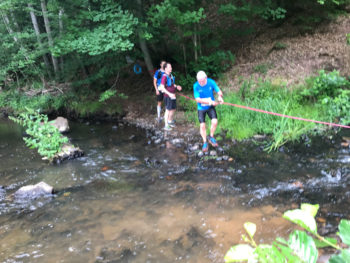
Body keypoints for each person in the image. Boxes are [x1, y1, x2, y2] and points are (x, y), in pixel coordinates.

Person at [193, 71, 224, 152]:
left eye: (202, 81)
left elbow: (219, 91)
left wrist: (220, 97)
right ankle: (205, 142)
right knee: (202, 125)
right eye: (199, 81)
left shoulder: (211, 82)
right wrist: (209, 102)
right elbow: (197, 99)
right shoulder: (195, 86)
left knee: (215, 122)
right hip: (201, 108)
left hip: (210, 107)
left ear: (206, 78)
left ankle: (211, 136)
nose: (201, 83)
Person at [158, 62, 182, 131]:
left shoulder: (170, 76)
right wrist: (169, 94)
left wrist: (177, 86)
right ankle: (166, 125)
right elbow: (162, 87)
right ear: (165, 68)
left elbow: (172, 84)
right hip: (168, 96)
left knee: (173, 109)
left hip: (173, 95)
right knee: (168, 110)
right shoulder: (164, 77)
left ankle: (170, 121)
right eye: (169, 67)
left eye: (171, 67)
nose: (171, 68)